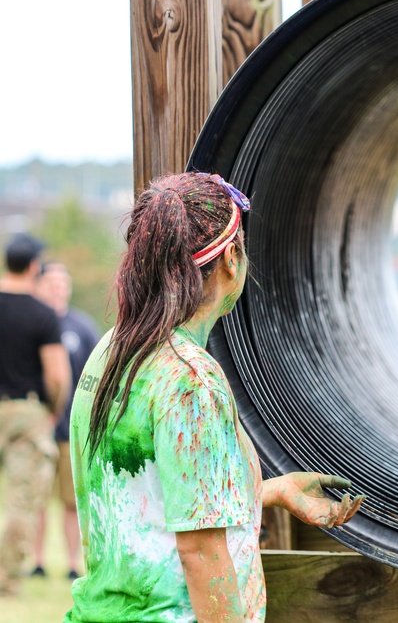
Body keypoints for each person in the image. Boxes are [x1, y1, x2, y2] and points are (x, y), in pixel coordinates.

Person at [64, 172, 364, 622]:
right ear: (230, 258)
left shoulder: (113, 348)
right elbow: (200, 551)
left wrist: (273, 490)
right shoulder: (191, 379)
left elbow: (152, 500)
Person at [0, 233, 71, 597]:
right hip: (26, 410)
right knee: (22, 500)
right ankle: (6, 581)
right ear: (32, 267)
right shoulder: (42, 314)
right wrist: (51, 413)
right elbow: (57, 376)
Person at [30, 263, 101, 581]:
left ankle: (74, 564)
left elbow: (98, 375)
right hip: (38, 427)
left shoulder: (82, 327)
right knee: (36, 500)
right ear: (40, 285)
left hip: (72, 430)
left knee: (72, 501)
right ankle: (36, 561)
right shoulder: (31, 323)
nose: (58, 289)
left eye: (63, 284)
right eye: (52, 283)